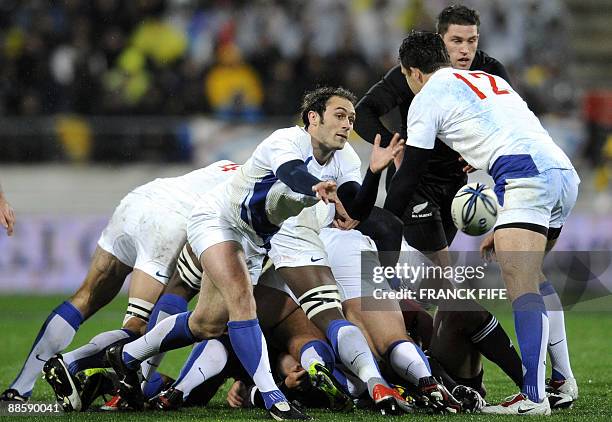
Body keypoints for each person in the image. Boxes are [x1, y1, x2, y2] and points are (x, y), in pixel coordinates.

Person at [105, 86, 405, 420]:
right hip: (219, 220)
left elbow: (354, 209)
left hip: (258, 238)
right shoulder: (285, 141)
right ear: (313, 118)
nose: (347, 124)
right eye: (339, 115)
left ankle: (126, 356)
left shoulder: (345, 157)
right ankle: (274, 398)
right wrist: (314, 186)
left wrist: (373, 175)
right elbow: (291, 173)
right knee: (242, 300)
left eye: (350, 118)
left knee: (205, 323)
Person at [384, 30, 580, 415]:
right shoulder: (487, 78)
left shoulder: (427, 97)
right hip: (560, 171)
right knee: (535, 277)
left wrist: (379, 223)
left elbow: (410, 175)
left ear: (412, 72)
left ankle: (534, 397)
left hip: (524, 176)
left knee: (521, 285)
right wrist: (508, 222)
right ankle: (561, 379)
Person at [354, 3, 526, 395]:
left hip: (456, 189)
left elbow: (511, 119)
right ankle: (504, 379)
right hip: (414, 185)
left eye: (471, 41)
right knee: (445, 287)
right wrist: (393, 144)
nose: (464, 50)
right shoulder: (416, 72)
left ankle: (452, 373)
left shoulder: (490, 70)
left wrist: (477, 152)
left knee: (430, 290)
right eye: (455, 41)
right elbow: (364, 114)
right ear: (439, 42)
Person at [0, 161, 239, 405]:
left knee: (84, 297)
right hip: (169, 223)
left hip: (137, 202)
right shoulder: (267, 192)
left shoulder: (233, 165)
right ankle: (74, 364)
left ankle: (19, 390)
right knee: (139, 328)